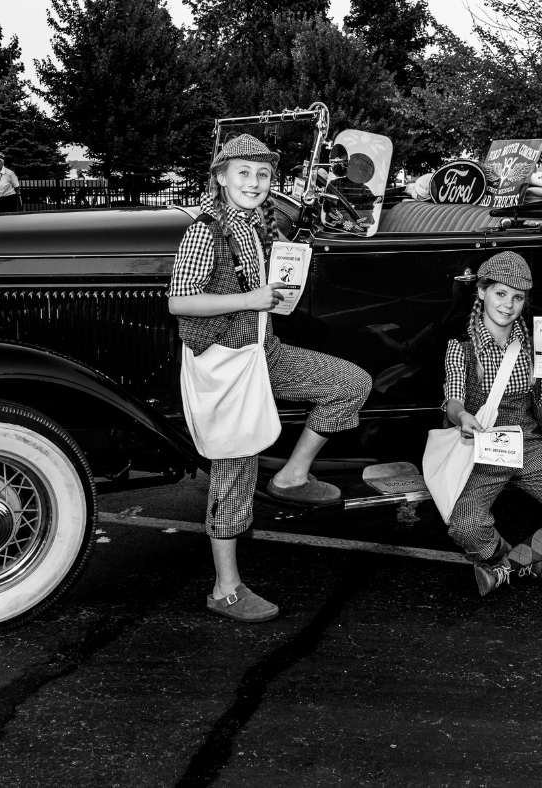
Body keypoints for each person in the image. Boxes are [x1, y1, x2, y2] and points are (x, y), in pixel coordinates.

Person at [168, 134, 371, 623]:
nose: (254, 182)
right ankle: (225, 589)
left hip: (263, 352)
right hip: (226, 364)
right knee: (233, 471)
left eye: (262, 174)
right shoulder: (204, 231)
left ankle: (291, 476)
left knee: (349, 383)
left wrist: (276, 291)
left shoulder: (256, 223)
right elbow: (179, 301)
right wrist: (250, 299)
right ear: (221, 177)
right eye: (243, 172)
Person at [443, 251, 542, 596]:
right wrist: (462, 416)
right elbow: (454, 400)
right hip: (481, 443)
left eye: (518, 297)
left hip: (528, 441)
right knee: (466, 526)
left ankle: (506, 567)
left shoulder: (537, 347)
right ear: (482, 292)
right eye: (501, 293)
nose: (508, 304)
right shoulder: (461, 347)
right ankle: (519, 560)